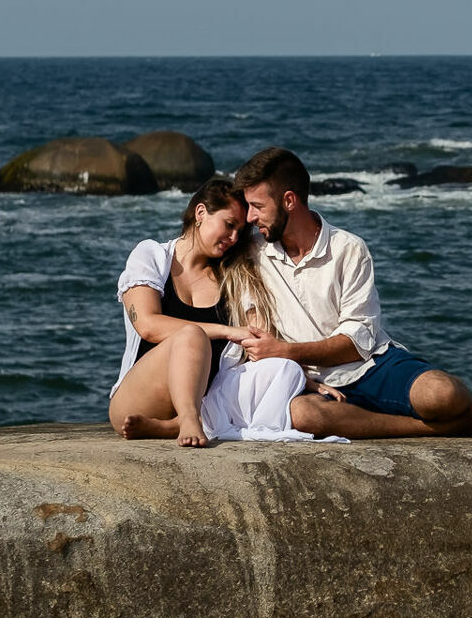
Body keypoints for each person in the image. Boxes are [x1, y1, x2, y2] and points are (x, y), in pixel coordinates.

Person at [231, 146, 472, 439]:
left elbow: (357, 342)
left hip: (369, 364)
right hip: (307, 380)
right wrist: (296, 369)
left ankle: (464, 413)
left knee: (443, 394)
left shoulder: (348, 248)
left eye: (258, 207)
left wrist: (286, 351)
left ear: (289, 201)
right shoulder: (253, 253)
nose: (250, 218)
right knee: (304, 418)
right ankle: (460, 425)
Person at [108, 176, 331, 446]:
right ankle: (187, 418)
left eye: (239, 231)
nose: (234, 237)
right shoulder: (152, 256)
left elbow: (258, 340)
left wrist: (302, 378)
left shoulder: (235, 278)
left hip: (211, 404)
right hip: (140, 399)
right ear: (200, 213)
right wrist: (226, 331)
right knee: (191, 335)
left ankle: (177, 424)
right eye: (228, 225)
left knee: (280, 368)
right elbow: (147, 325)